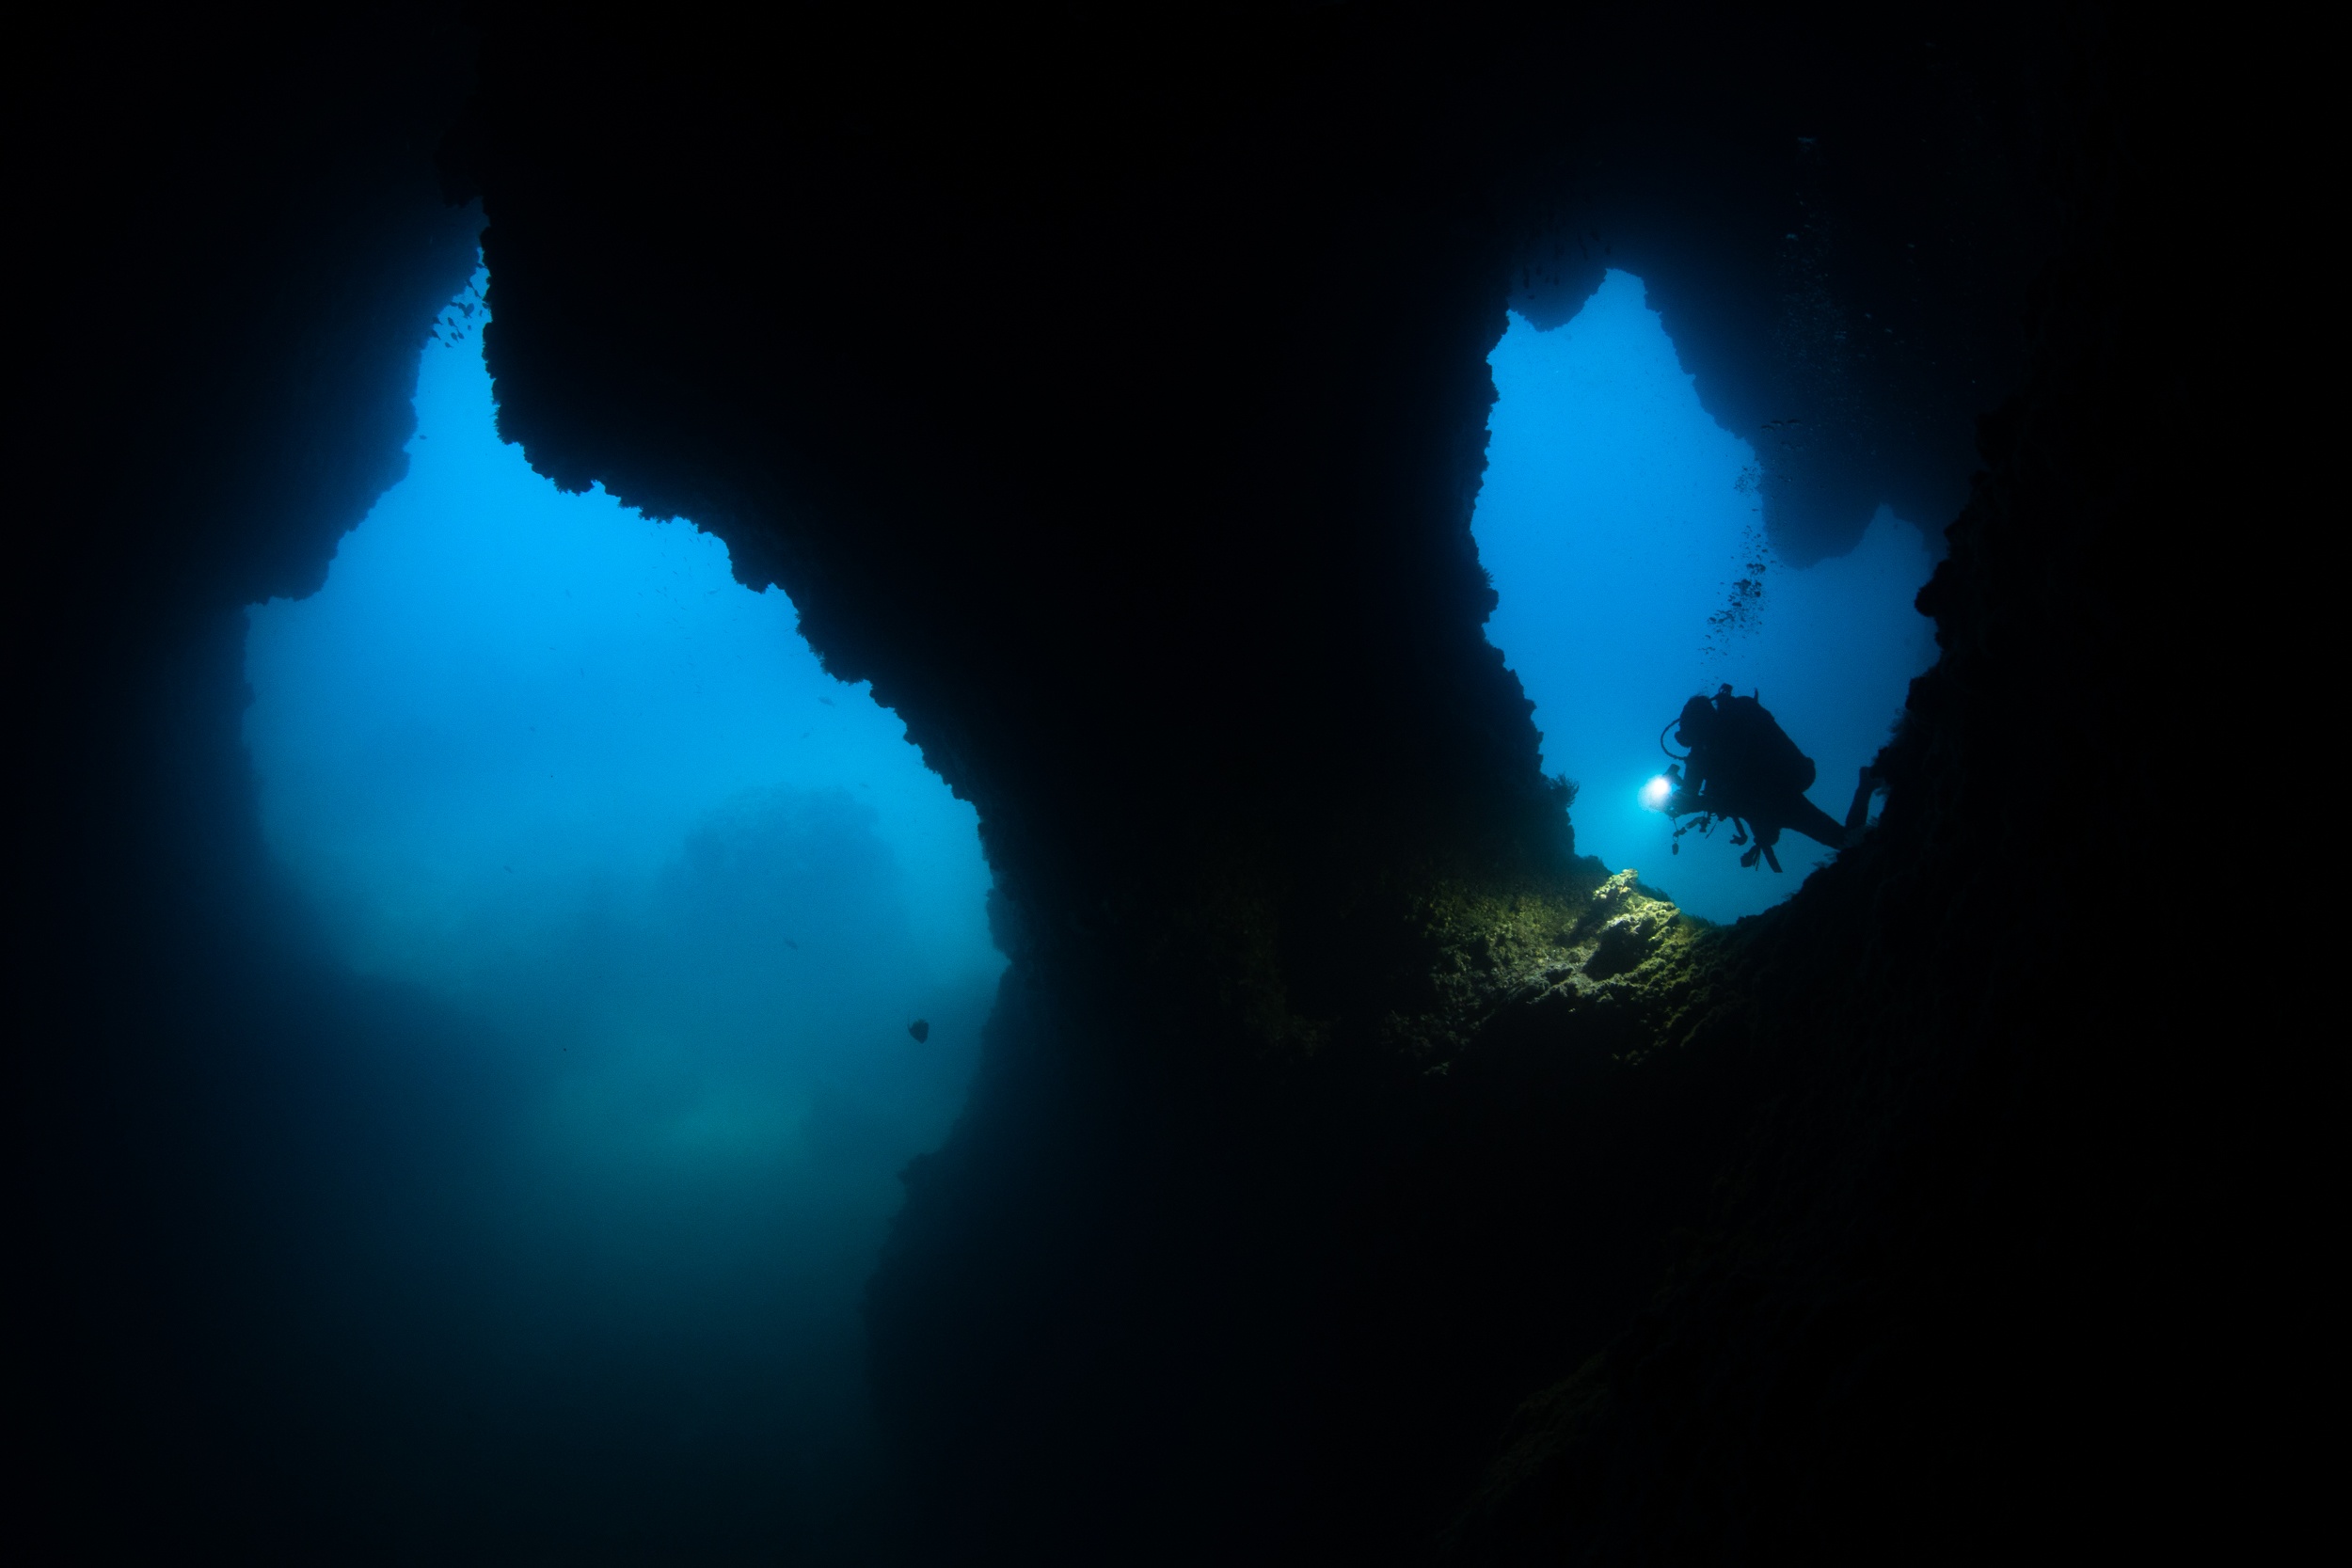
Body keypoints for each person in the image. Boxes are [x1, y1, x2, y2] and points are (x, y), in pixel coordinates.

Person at [1662, 685, 1854, 871]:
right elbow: (1690, 795)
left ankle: (1865, 790)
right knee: (1841, 838)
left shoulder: (1733, 732)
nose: (1683, 735)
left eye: (1687, 726)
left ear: (1699, 723)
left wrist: (1693, 803)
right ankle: (1864, 799)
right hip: (1763, 804)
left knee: (1844, 840)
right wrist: (1675, 803)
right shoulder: (1700, 754)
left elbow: (1726, 796)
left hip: (1778, 796)